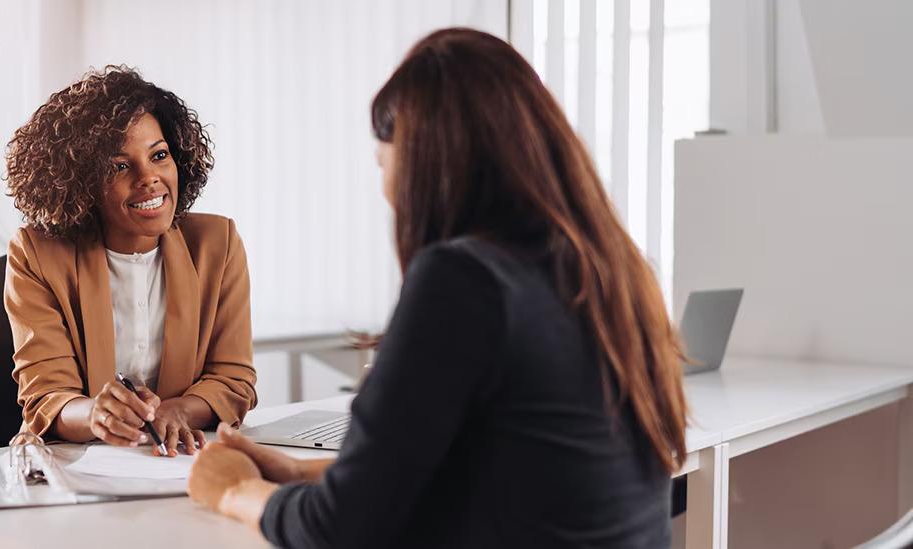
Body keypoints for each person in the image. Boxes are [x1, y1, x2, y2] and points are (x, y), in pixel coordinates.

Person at [187, 28, 688, 547]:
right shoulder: (615, 272)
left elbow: (342, 530)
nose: (386, 193)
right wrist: (296, 473)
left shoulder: (464, 280)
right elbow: (496, 470)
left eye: (383, 163)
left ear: (425, 162)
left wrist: (235, 491)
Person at [3, 66, 256, 457]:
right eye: (120, 166)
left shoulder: (217, 244)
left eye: (159, 155)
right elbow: (47, 395)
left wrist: (178, 411)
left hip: (178, 462)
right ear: (82, 182)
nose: (149, 178)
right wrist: (95, 415)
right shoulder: (36, 254)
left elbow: (234, 379)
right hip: (73, 468)